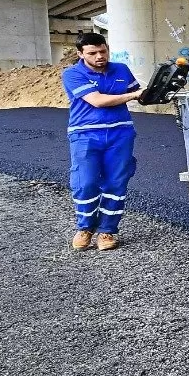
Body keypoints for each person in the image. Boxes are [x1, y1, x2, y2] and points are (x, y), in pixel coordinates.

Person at [61, 32, 141, 251]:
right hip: (85, 135)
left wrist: (163, 89)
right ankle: (85, 228)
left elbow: (141, 94)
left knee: (116, 182)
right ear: (80, 54)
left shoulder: (121, 69)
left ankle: (107, 232)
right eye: (92, 53)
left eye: (103, 51)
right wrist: (134, 96)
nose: (99, 56)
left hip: (120, 134)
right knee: (85, 182)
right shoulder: (72, 74)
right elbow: (97, 100)